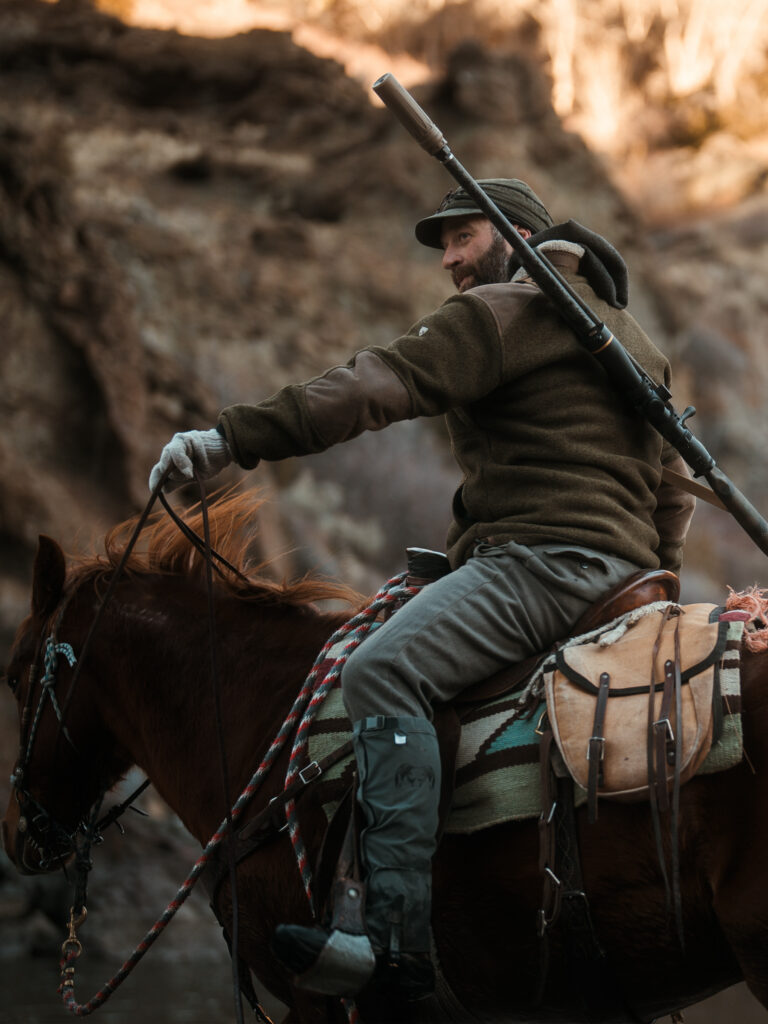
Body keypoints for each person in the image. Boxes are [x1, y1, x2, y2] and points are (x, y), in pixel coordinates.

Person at [149, 178, 695, 1002]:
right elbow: (676, 489)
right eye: (442, 245)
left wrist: (229, 438)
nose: (448, 261)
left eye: (461, 237)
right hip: (625, 579)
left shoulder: (498, 316)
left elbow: (375, 385)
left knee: (380, 673)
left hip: (536, 566)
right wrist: (647, 576)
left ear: (514, 234)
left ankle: (394, 939)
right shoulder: (630, 338)